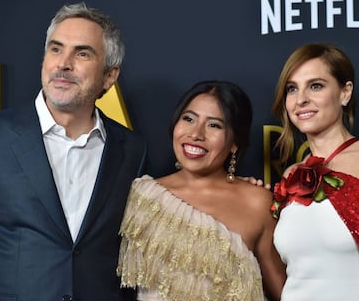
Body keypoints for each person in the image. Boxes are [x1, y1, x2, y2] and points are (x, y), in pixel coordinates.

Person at [0, 3, 146, 301]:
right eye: (56, 49)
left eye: (82, 53)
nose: (63, 64)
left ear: (109, 76)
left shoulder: (132, 150)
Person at [117, 80, 286, 301]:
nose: (196, 133)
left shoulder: (258, 202)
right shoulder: (142, 197)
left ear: (235, 142)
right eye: (188, 119)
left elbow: (285, 292)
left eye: (214, 125)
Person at [270, 43, 359, 301]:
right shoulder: (291, 175)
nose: (301, 98)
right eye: (292, 88)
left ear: (344, 93)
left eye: (315, 85)